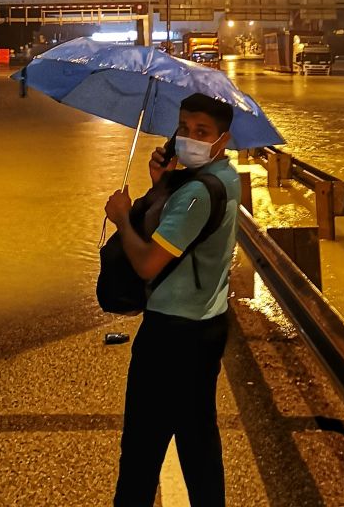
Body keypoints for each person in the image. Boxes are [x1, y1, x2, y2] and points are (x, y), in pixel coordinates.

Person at [104, 92, 241, 507]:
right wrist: (161, 185)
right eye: (184, 128)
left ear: (223, 139)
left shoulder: (196, 195)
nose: (189, 137)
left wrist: (122, 217)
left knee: (143, 448)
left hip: (171, 335)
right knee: (198, 441)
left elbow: (147, 263)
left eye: (202, 132)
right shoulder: (226, 178)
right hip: (206, 323)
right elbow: (182, 234)